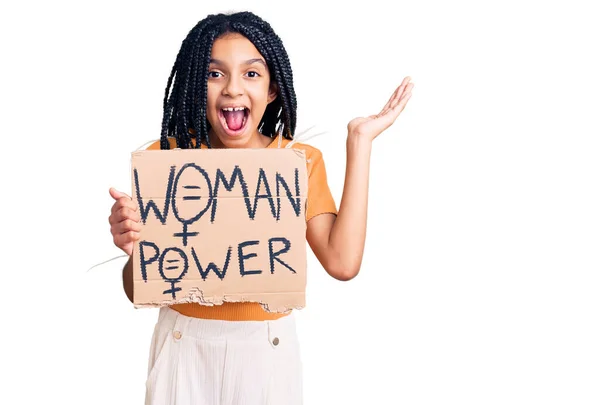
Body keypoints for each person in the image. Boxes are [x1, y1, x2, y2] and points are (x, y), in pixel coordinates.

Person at [108, 10, 413, 405]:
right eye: (214, 74)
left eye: (251, 73)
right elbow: (138, 291)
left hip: (265, 354)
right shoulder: (166, 162)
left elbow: (342, 263)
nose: (233, 89)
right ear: (195, 85)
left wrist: (360, 143)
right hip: (182, 346)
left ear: (271, 89)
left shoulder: (297, 162)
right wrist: (135, 251)